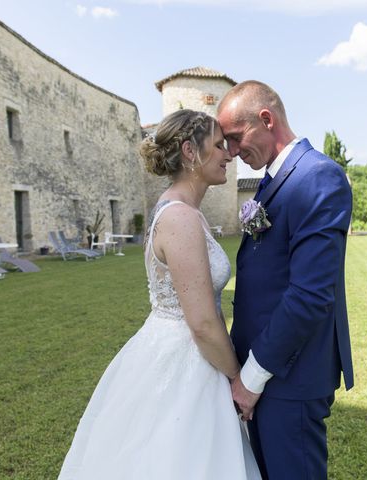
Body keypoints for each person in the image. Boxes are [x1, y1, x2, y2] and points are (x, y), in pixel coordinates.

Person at [58, 109, 261, 479]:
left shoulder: (183, 211)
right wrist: (237, 378)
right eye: (218, 146)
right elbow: (200, 322)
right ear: (189, 151)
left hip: (181, 348)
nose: (228, 154)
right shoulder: (180, 217)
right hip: (186, 354)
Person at [217, 81, 354, 480]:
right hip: (264, 371)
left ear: (266, 119)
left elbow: (310, 295)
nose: (232, 151)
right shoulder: (272, 180)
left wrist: (252, 378)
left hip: (288, 376)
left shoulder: (318, 177)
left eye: (235, 138)